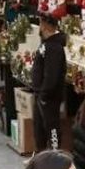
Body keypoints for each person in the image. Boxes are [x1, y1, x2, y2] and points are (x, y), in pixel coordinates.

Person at [31, 12, 68, 151]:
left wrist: (45, 95)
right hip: (41, 95)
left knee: (51, 127)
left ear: (45, 26)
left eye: (41, 23)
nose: (39, 27)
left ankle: (55, 153)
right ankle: (40, 154)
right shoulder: (46, 44)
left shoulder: (54, 47)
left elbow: (52, 74)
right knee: (39, 128)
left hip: (49, 98)